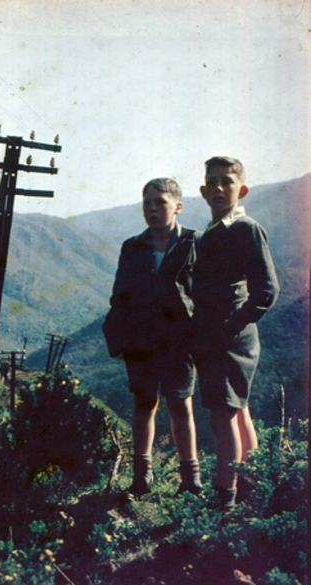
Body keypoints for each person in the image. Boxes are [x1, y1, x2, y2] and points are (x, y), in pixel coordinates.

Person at [103, 177, 202, 497]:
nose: (152, 209)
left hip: (180, 340)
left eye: (160, 202)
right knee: (144, 404)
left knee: (181, 405)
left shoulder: (194, 242)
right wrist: (118, 335)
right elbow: (120, 295)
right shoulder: (132, 247)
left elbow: (205, 292)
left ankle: (191, 480)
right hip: (142, 341)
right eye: (147, 203)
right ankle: (141, 478)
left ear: (178, 206)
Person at [191, 157, 279, 509]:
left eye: (226, 182)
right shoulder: (214, 231)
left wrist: (230, 327)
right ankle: (252, 485)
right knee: (237, 410)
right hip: (216, 334)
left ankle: (225, 497)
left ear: (241, 189)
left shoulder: (245, 229)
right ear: (202, 191)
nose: (217, 188)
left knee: (222, 413)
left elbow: (267, 291)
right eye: (211, 182)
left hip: (229, 336)